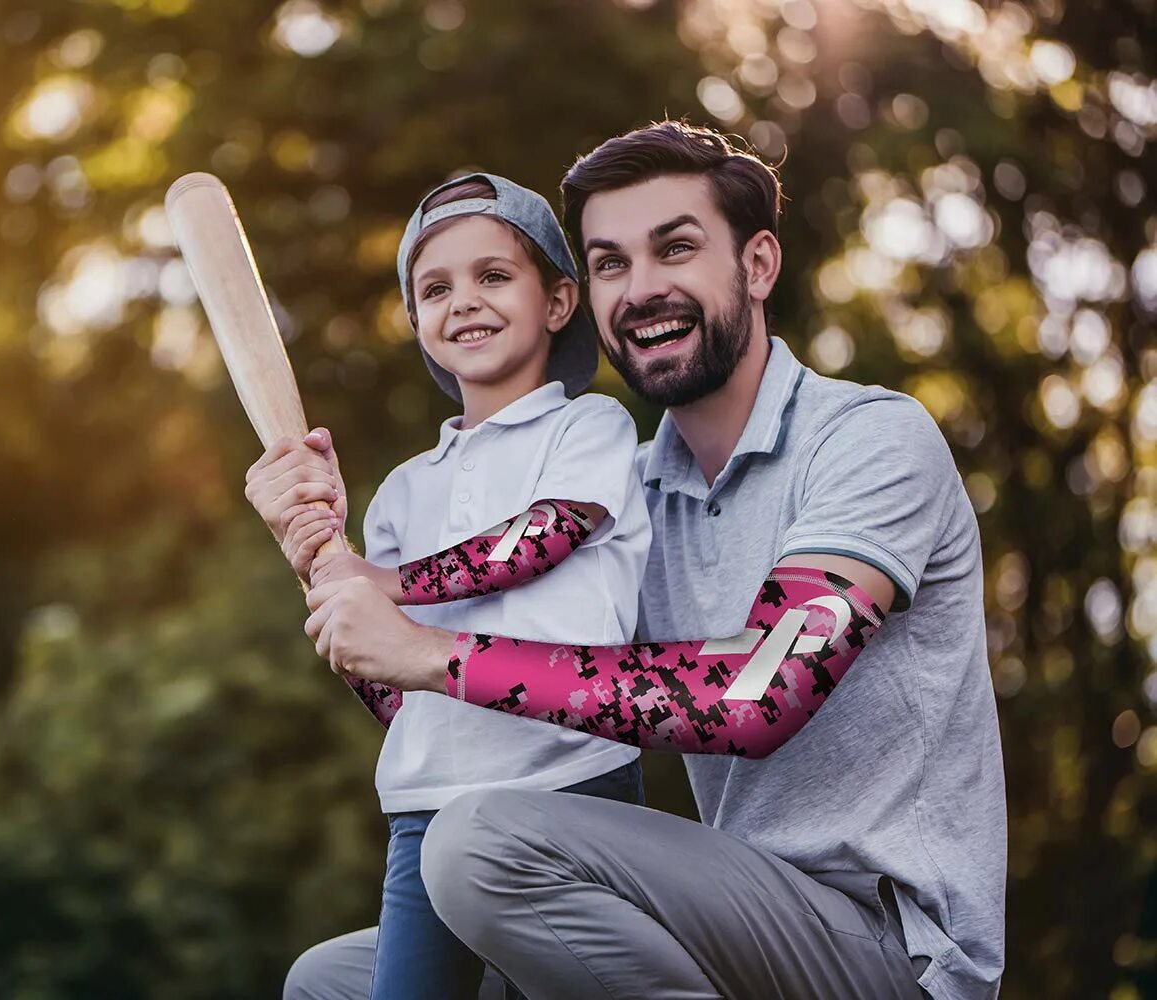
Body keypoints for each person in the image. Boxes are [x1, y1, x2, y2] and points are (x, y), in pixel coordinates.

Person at [255, 122, 1006, 1000]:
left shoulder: (870, 440)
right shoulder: (636, 493)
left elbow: (758, 695)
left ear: (758, 266)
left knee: (476, 843)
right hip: (711, 917)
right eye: (611, 262)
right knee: (331, 982)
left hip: (887, 956)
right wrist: (327, 565)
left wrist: (431, 651)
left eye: (676, 249)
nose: (641, 290)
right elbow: (482, 713)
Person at [248, 172, 654, 1000]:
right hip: (426, 805)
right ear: (417, 323)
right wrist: (320, 565)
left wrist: (382, 579)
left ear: (560, 301)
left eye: (493, 276)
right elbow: (398, 691)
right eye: (436, 288)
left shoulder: (590, 427)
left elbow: (545, 535)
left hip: (573, 780)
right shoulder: (403, 491)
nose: (464, 301)